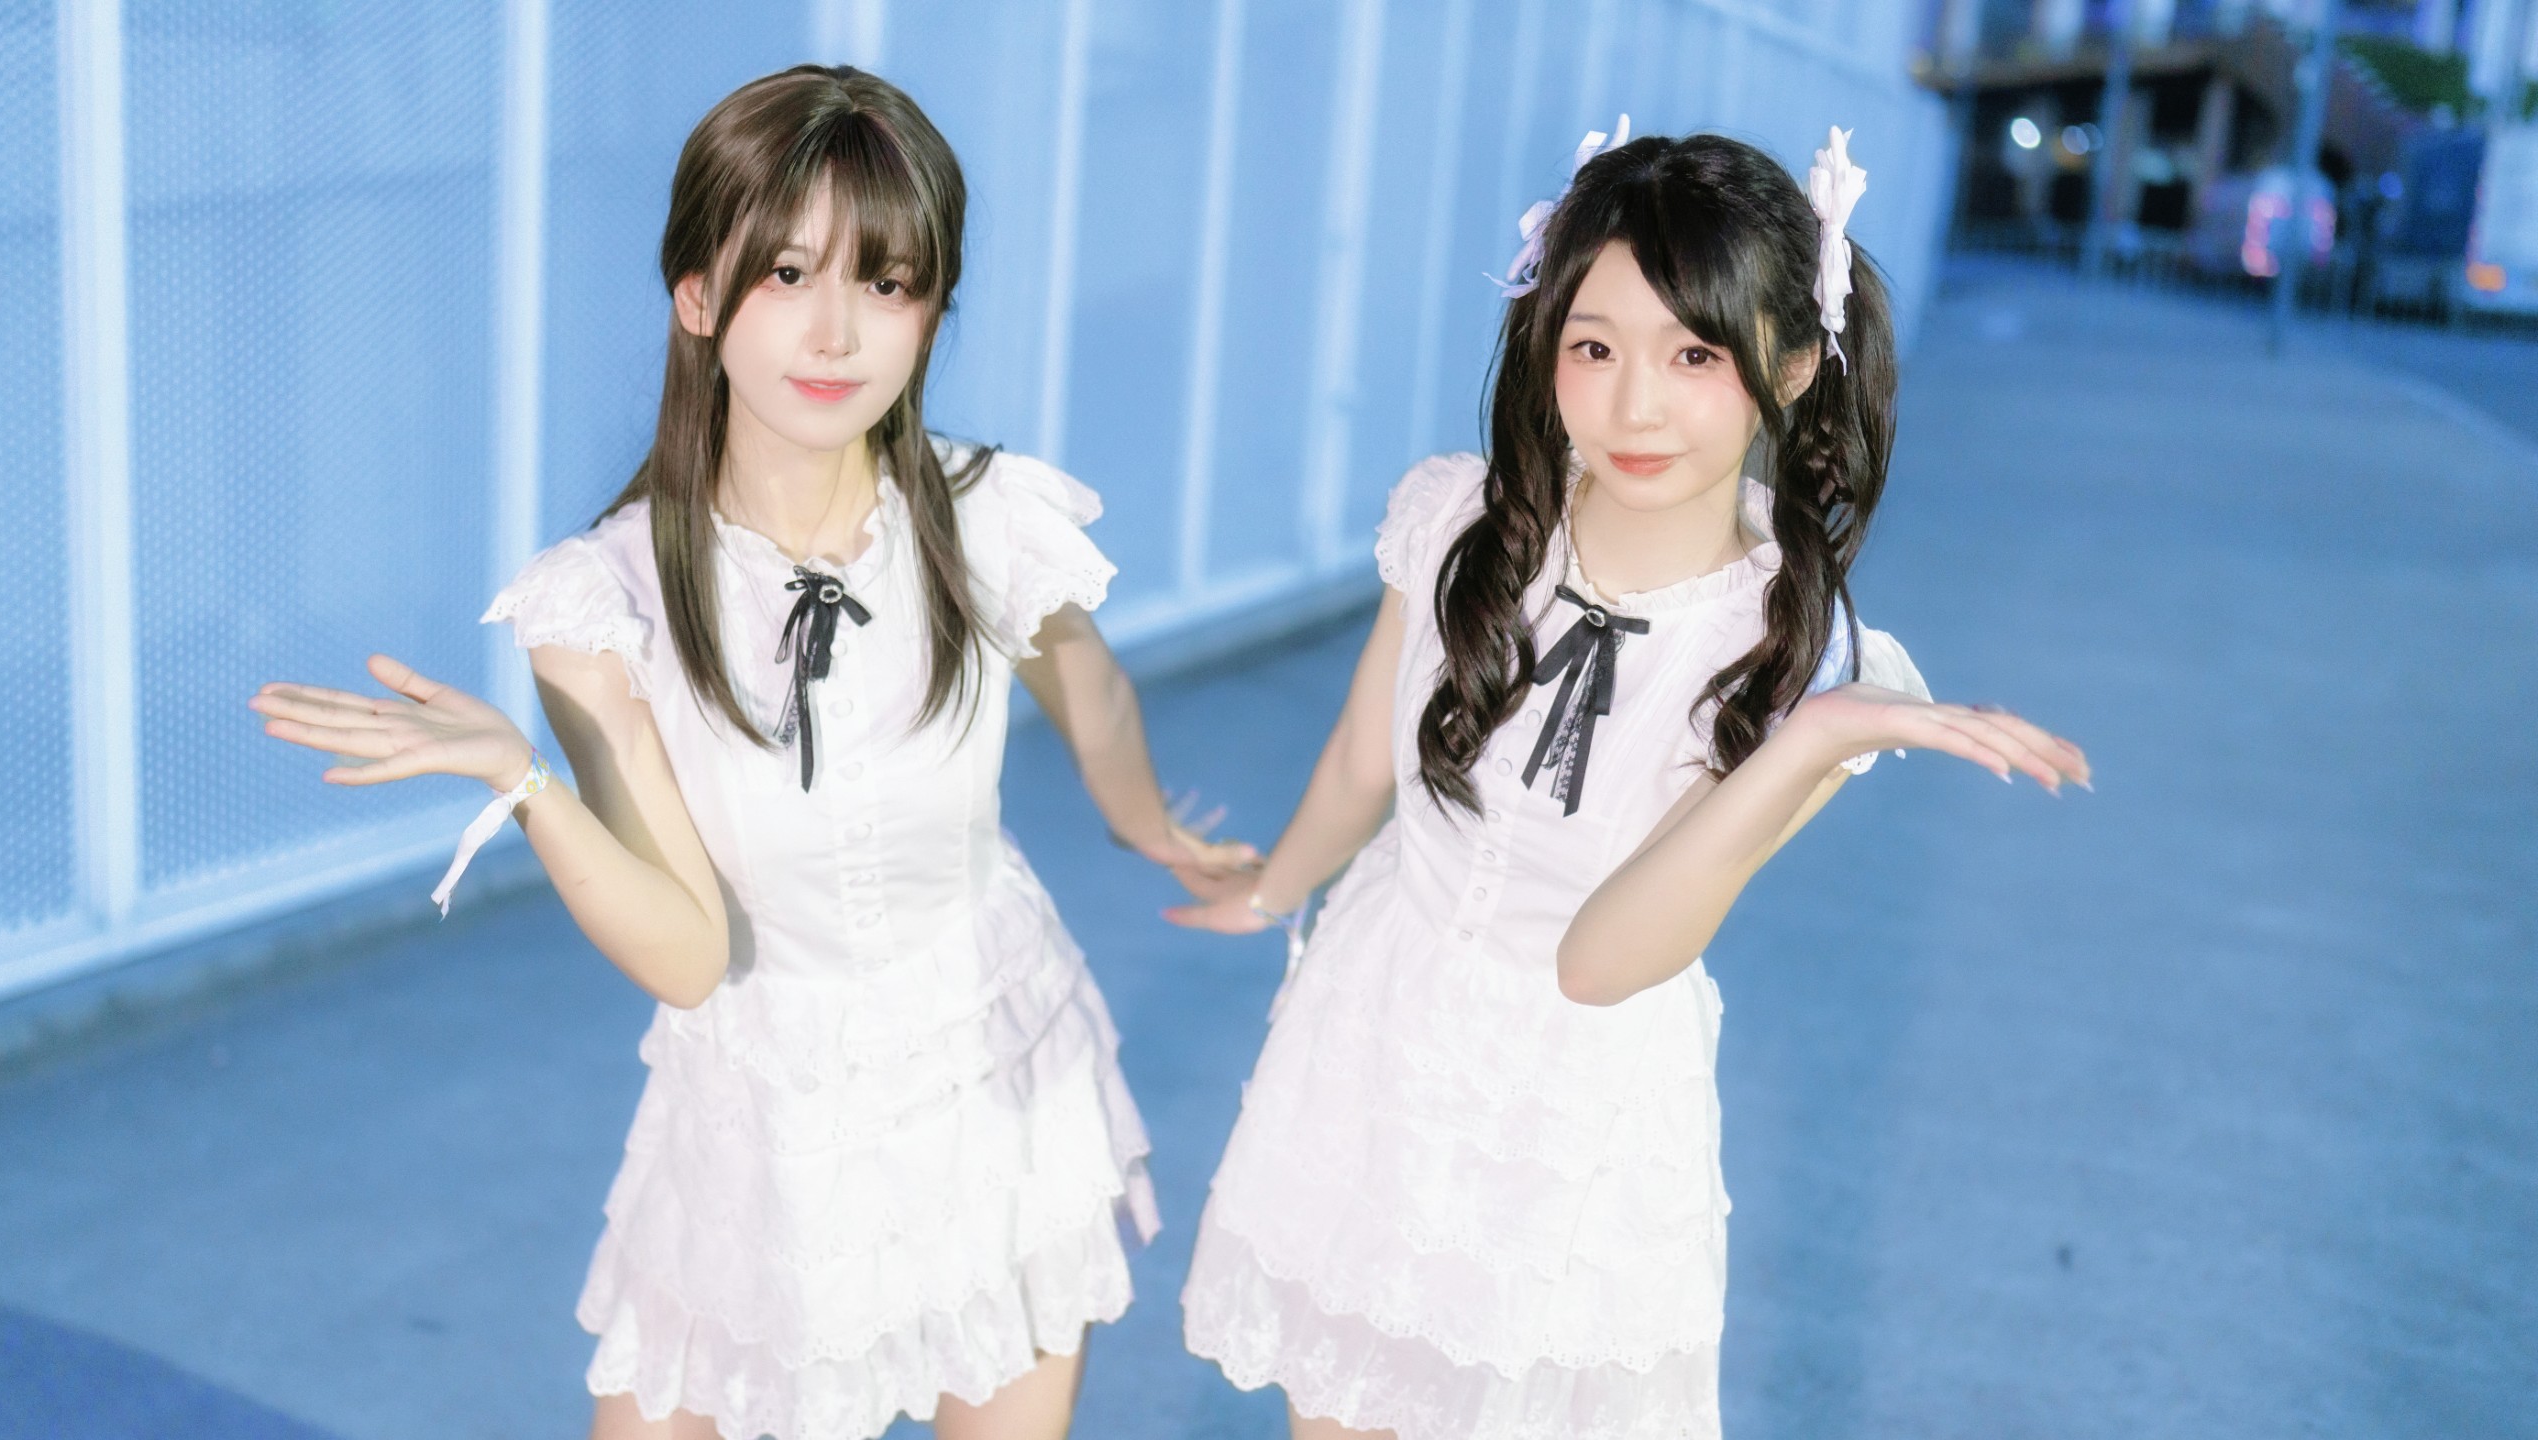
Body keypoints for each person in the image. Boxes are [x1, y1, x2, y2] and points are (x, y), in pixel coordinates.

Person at [251, 65, 1250, 1440]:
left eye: (887, 283)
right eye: (787, 274)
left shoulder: (986, 517)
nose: (837, 331)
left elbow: (1090, 684)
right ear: (697, 295)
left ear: (931, 312)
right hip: (760, 1111)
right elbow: (689, 955)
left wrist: (1145, 820)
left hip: (988, 1064)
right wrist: (521, 782)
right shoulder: (603, 603)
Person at [1167, 125, 2089, 1440]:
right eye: (1594, 346)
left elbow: (1602, 964)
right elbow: (1369, 750)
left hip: (1576, 1113)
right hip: (1379, 1025)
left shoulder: (1804, 662)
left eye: (1694, 355)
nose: (1633, 405)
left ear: (1793, 364)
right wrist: (1274, 891)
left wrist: (1811, 740)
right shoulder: (1458, 521)